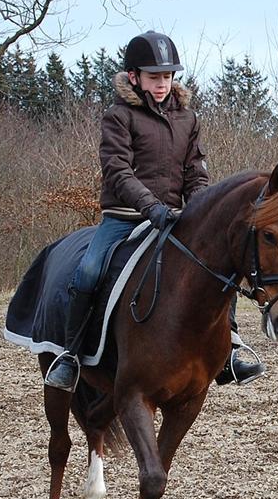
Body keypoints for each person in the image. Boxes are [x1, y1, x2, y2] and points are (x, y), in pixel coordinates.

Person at [43, 30, 265, 392]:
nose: (162, 84)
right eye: (154, 76)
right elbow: (118, 171)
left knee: (222, 264)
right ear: (134, 77)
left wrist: (199, 209)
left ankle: (231, 350)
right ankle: (69, 355)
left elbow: (195, 172)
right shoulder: (118, 116)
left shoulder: (188, 119)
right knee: (87, 272)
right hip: (124, 218)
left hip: (175, 218)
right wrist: (151, 208)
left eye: (167, 76)